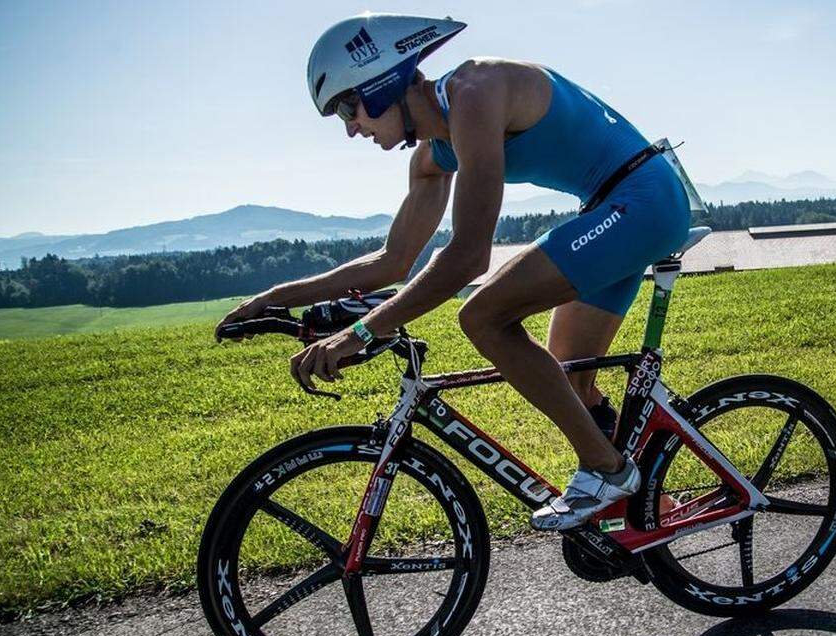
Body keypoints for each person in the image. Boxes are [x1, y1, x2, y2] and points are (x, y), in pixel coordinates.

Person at [216, 13, 692, 531]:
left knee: (484, 316)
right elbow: (391, 262)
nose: (352, 129)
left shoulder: (475, 92)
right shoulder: (431, 156)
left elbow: (469, 256)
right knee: (569, 377)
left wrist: (361, 332)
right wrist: (275, 296)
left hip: (641, 200)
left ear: (383, 85)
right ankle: (647, 516)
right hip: (611, 207)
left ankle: (607, 471)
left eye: (349, 110)